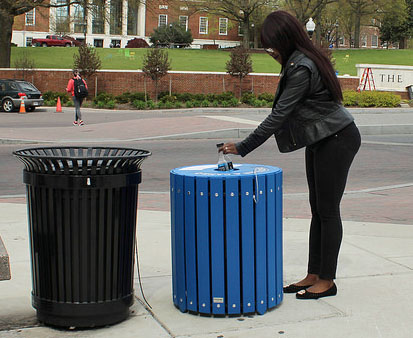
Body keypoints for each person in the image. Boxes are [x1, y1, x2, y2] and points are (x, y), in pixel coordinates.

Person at [219, 11, 361, 300]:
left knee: (328, 210)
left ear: (284, 40)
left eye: (272, 45)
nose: (270, 52)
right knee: (318, 209)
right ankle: (314, 273)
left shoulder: (301, 67)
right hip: (321, 139)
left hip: (337, 138)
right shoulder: (298, 60)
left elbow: (279, 116)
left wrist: (243, 146)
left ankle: (327, 280)